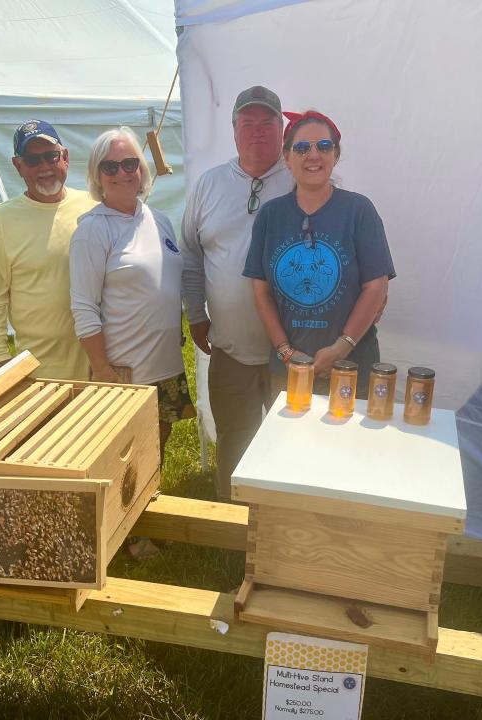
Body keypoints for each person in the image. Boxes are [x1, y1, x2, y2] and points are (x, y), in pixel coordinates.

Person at [180, 86, 294, 502]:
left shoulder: (303, 180)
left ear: (282, 129)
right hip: (230, 348)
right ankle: (231, 524)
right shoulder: (209, 185)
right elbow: (191, 256)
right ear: (233, 131)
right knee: (235, 438)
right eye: (248, 123)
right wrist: (195, 314)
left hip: (292, 351)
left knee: (292, 442)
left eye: (268, 122)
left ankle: (282, 522)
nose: (258, 131)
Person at [244, 110, 396, 398]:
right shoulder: (270, 216)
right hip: (288, 372)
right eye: (301, 147)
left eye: (323, 146)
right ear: (287, 159)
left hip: (351, 371)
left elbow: (376, 286)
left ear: (335, 154)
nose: (313, 155)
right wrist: (287, 352)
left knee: (348, 443)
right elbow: (260, 289)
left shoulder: (359, 211)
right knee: (287, 443)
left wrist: (342, 347)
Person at [70, 126, 194, 453]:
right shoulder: (93, 230)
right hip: (125, 370)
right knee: (122, 454)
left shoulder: (160, 220)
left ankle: (149, 500)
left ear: (142, 170)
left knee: (158, 439)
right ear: (97, 176)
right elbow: (83, 306)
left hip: (165, 363)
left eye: (129, 163)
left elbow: (165, 281)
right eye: (109, 167)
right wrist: (102, 370)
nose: (121, 173)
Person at [0, 119, 96, 379]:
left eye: (51, 156)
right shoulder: (0, 221)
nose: (44, 167)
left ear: (65, 157)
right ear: (18, 166)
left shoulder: (94, 206)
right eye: (32, 160)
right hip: (42, 368)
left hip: (103, 358)